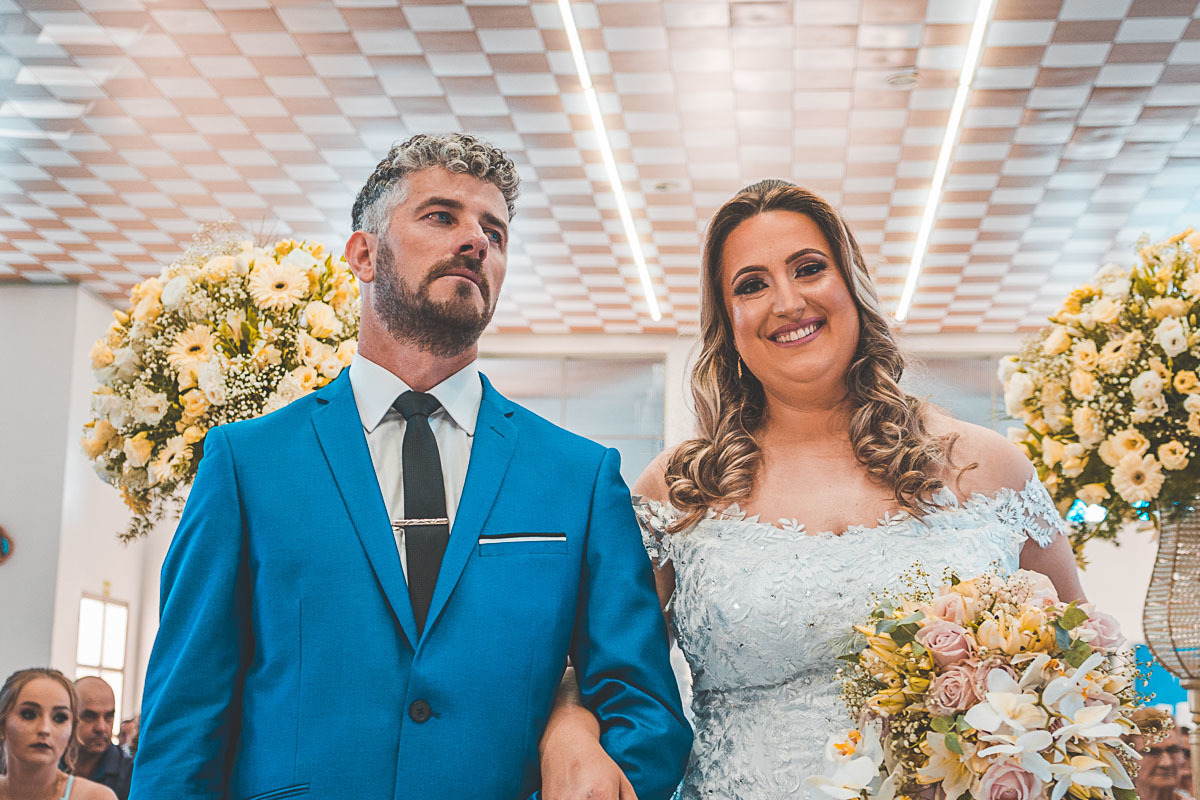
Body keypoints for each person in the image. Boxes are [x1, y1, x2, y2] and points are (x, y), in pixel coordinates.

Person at [130, 133, 690, 800]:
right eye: (441, 216)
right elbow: (184, 722)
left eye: (495, 231)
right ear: (364, 255)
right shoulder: (247, 465)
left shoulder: (579, 477)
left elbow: (645, 712)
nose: (476, 241)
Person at [549, 179, 1086, 797]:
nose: (787, 301)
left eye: (809, 268)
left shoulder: (987, 469)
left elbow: (1080, 669)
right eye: (751, 285)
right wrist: (567, 732)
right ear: (728, 322)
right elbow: (588, 669)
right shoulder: (679, 490)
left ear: (851, 285)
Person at [0, 668, 116, 800]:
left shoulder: (96, 797)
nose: (45, 729)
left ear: (72, 728)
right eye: (29, 715)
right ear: (2, 724)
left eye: (59, 718)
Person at [69, 678, 131, 800]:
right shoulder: (49, 765)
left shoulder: (130, 775)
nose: (102, 728)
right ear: (69, 716)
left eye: (108, 717)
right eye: (89, 717)